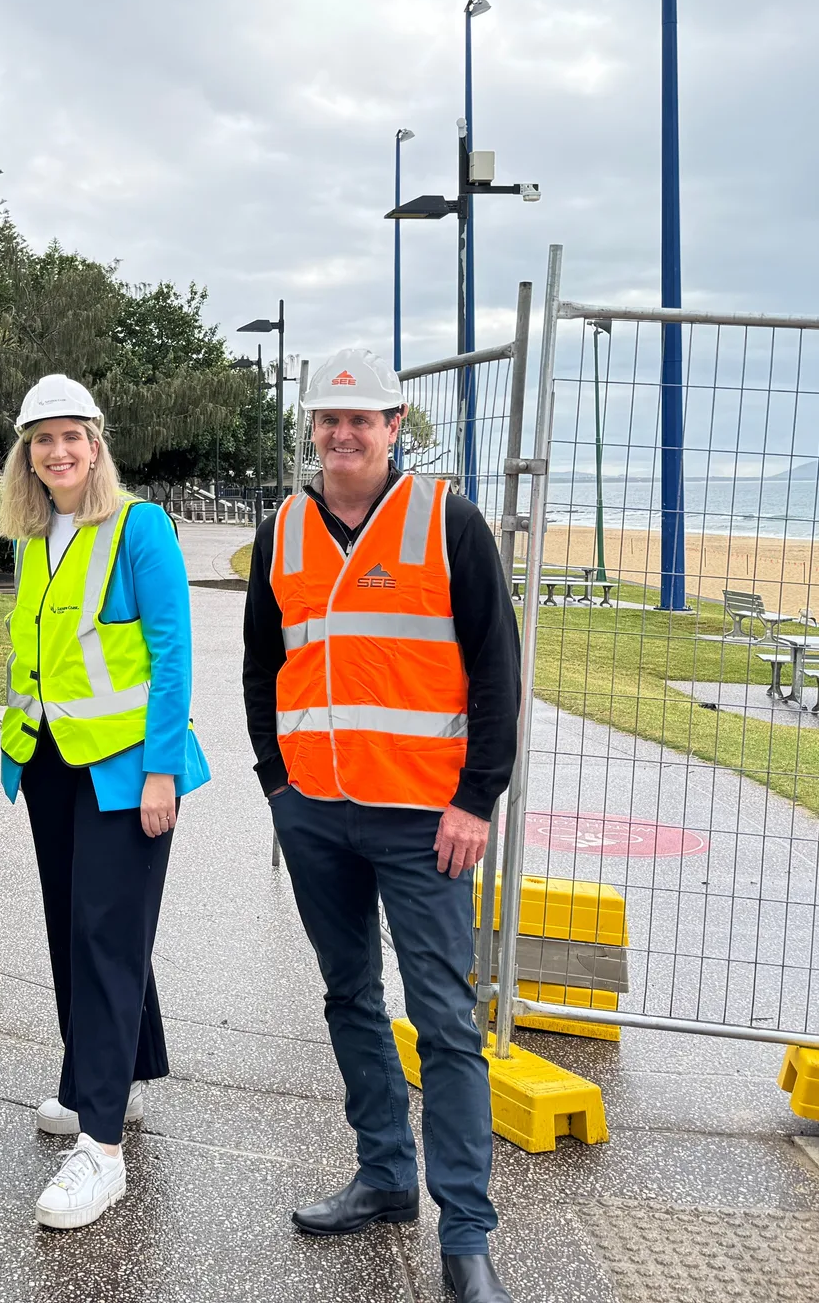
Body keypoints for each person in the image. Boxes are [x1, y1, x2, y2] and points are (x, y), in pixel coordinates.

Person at [243, 348, 522, 1303]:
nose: (343, 434)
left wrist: (477, 799)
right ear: (313, 429)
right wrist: (277, 783)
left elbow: (497, 670)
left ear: (395, 427)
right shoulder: (282, 532)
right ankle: (384, 1175)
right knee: (350, 997)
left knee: (444, 1019)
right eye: (329, 420)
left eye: (362, 419)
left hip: (424, 820)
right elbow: (263, 666)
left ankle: (467, 1233)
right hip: (316, 814)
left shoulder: (448, 522)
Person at [0, 374, 209, 1231]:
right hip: (51, 761)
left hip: (126, 771)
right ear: (27, 455)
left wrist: (162, 772)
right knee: (74, 928)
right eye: (41, 440)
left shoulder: (138, 526)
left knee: (107, 938)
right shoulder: (33, 536)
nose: (57, 452)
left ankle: (103, 1149)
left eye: (70, 437)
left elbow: (172, 650)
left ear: (95, 444)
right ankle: (108, 1080)